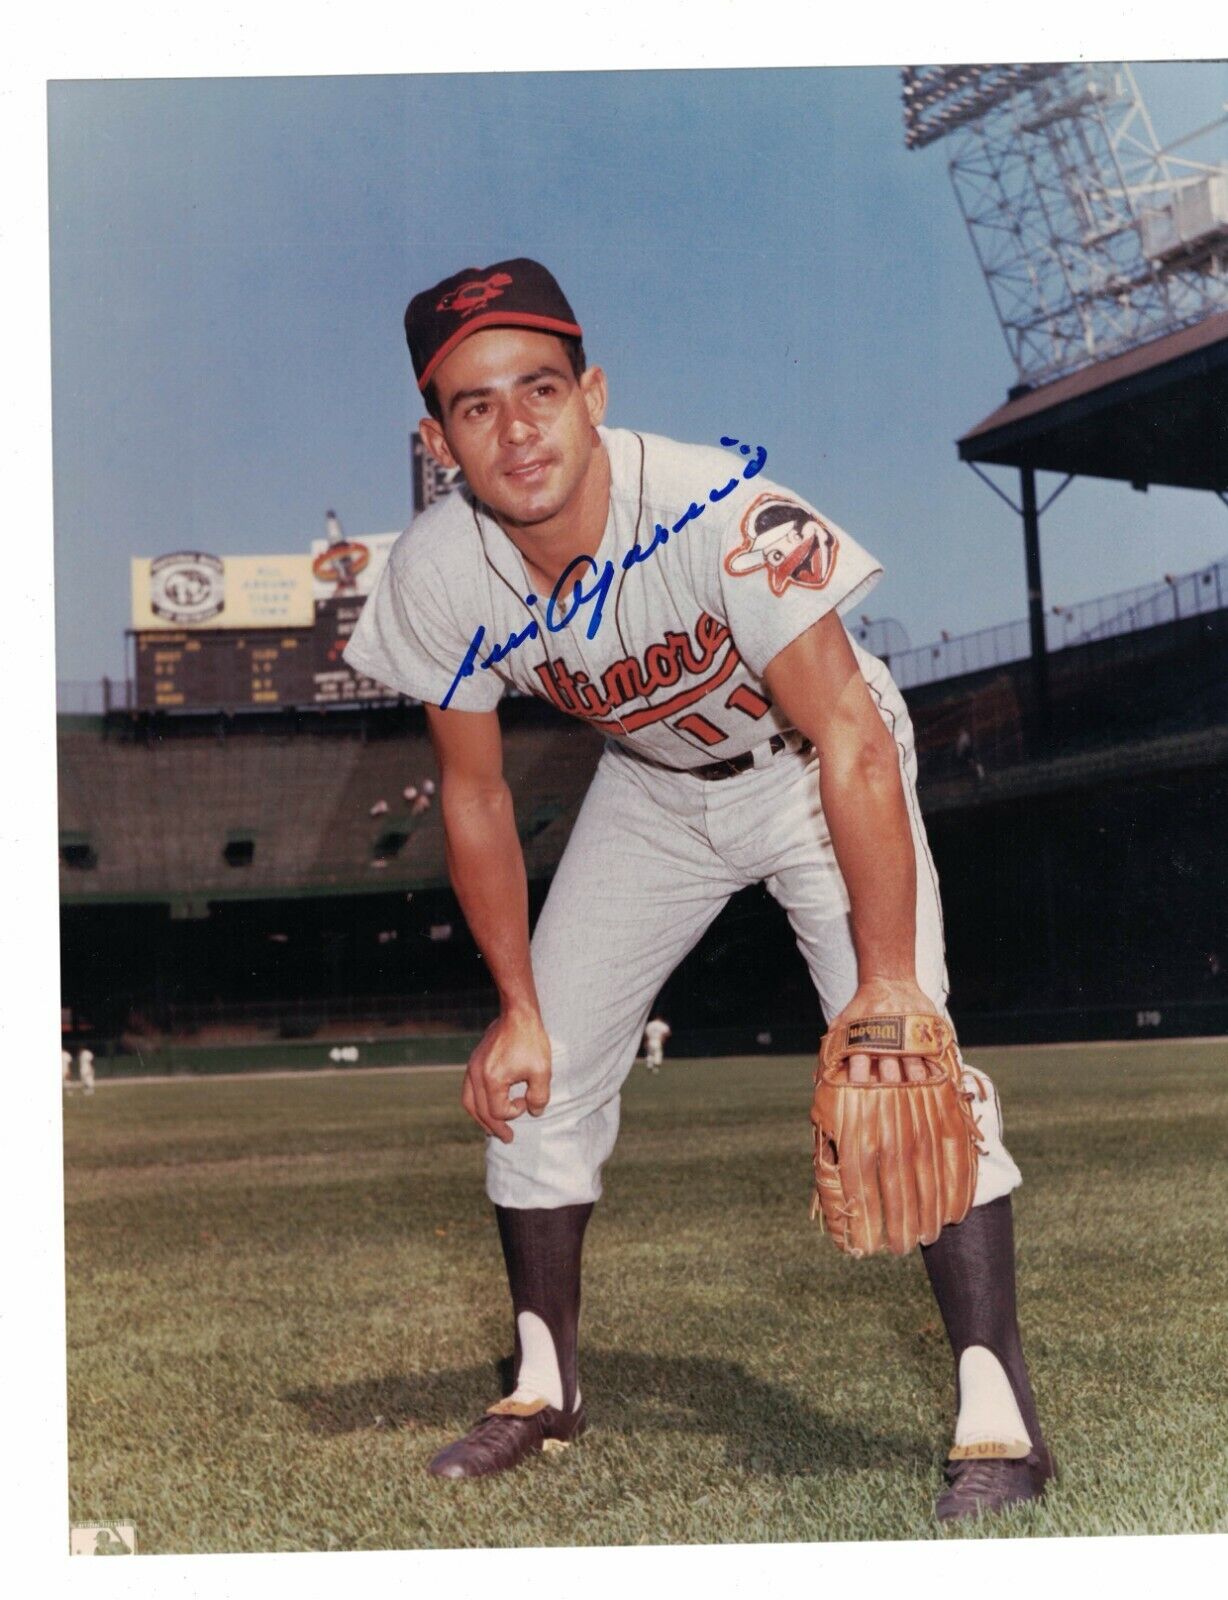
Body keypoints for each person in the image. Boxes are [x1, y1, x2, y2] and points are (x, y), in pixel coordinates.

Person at [344, 258, 1052, 1519]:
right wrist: (513, 1001)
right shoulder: (439, 568)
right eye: (474, 405)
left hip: (808, 766)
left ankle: (999, 1413)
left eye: (540, 389)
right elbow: (475, 794)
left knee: (914, 1062)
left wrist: (888, 983)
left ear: (592, 390)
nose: (515, 429)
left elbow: (847, 733)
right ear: (435, 435)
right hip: (652, 788)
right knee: (539, 1069)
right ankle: (544, 1385)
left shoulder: (716, 504)